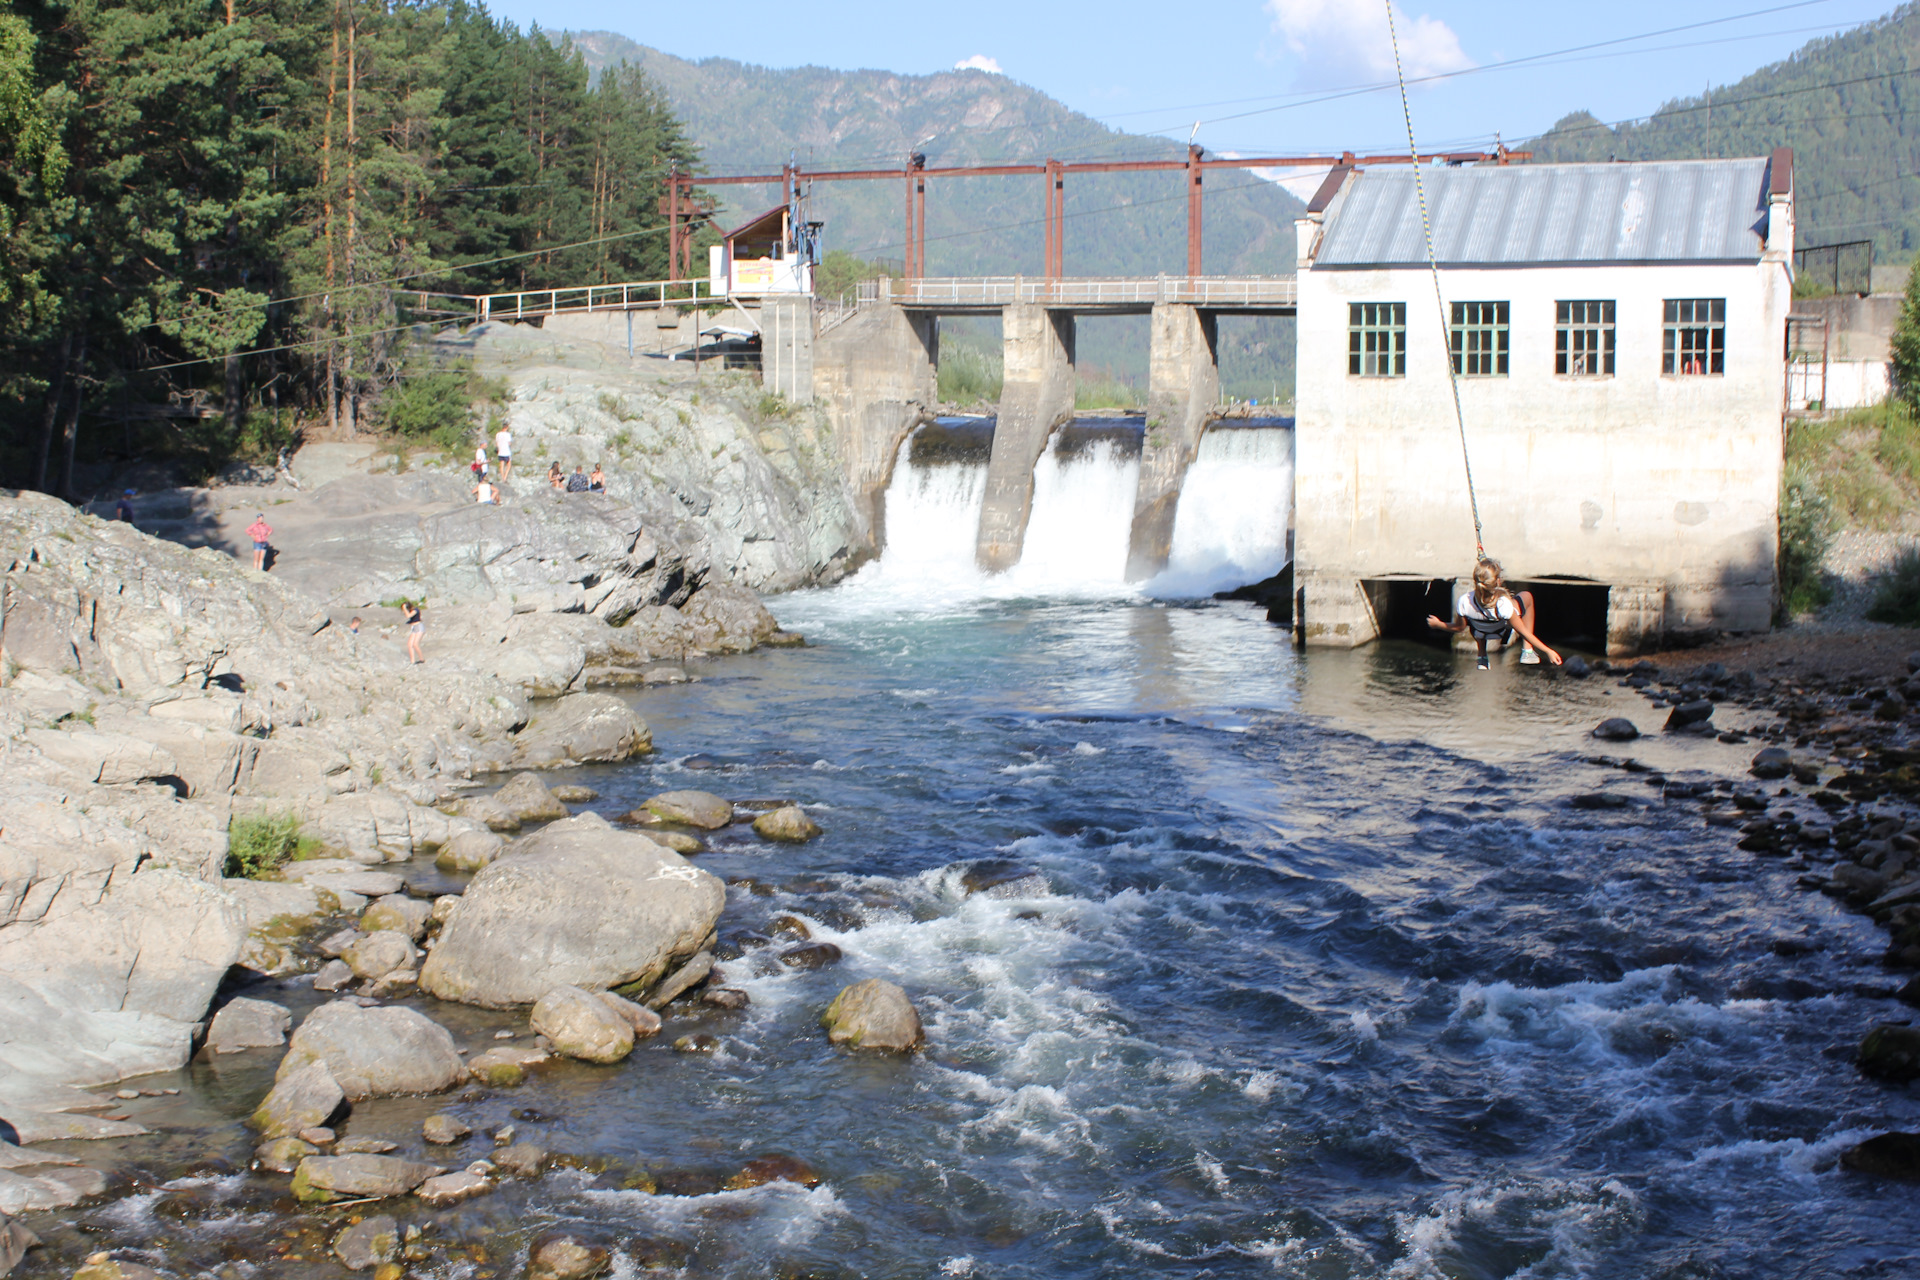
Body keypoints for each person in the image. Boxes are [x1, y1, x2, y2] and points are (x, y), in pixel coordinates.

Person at [1427, 558, 1563, 670]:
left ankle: (1482, 656)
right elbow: (1523, 632)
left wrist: (1438, 624)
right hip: (1502, 624)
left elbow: (1459, 628)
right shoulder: (1503, 605)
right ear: (1498, 581)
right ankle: (1527, 651)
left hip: (1483, 629)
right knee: (1527, 597)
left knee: (1478, 624)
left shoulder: (1465, 601)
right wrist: (1548, 651)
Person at [402, 600, 424, 664]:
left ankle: (421, 659)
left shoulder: (415, 610)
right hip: (414, 628)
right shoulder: (412, 611)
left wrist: (404, 608)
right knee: (410, 644)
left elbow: (408, 616)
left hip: (419, 627)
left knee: (415, 644)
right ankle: (412, 661)